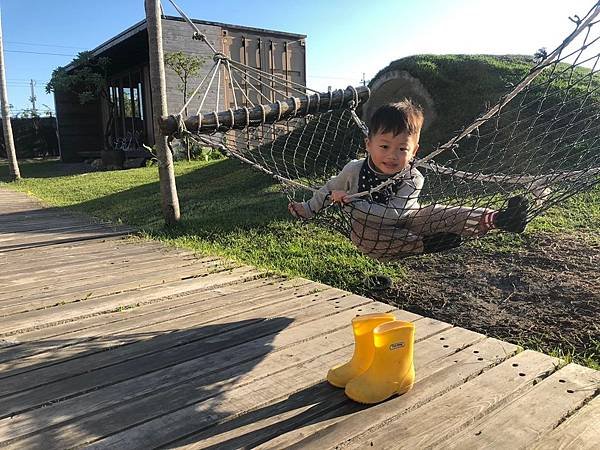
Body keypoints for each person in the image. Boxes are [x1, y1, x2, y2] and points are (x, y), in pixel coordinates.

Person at [288, 100, 528, 261]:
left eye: (402, 148)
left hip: (406, 221)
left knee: (438, 213)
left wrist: (350, 202)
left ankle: (500, 219)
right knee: (361, 235)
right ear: (368, 145)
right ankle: (425, 245)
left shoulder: (413, 177)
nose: (392, 155)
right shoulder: (354, 170)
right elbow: (330, 187)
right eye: (384, 146)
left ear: (415, 151)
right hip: (372, 232)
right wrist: (308, 208)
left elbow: (396, 214)